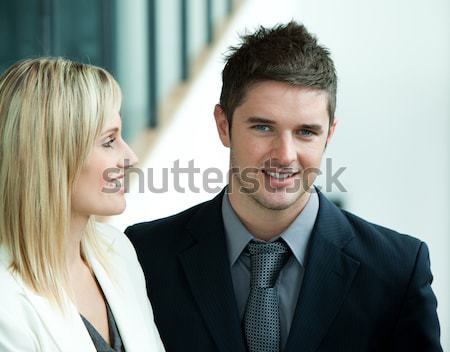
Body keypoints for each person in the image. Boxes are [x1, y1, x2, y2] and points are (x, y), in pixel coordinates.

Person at [126, 22, 442, 351]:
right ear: (224, 126)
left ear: (329, 135)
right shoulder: (145, 256)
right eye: (263, 127)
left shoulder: (397, 271)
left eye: (306, 132)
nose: (284, 155)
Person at [0, 58, 165, 352]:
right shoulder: (7, 299)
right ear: (52, 156)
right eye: (109, 141)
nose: (130, 157)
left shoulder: (118, 251)